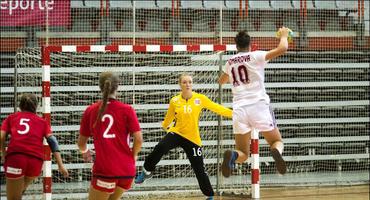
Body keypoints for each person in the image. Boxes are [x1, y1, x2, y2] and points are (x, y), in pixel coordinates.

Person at [135, 73, 232, 200]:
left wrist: (235, 114)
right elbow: (168, 119)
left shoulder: (200, 99)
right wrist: (165, 126)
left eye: (190, 82)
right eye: (185, 82)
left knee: (199, 168)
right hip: (177, 133)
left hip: (192, 138)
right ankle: (146, 171)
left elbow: (218, 108)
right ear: (180, 84)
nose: (187, 84)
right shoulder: (174, 100)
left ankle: (209, 195)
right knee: (160, 147)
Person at [218, 27, 291, 177]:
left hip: (239, 109)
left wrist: (231, 75)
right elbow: (283, 48)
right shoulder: (256, 56)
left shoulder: (230, 62)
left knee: (244, 153)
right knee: (276, 141)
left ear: (236, 46)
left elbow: (221, 81)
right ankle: (276, 151)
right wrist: (284, 35)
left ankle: (232, 155)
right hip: (258, 105)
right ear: (250, 44)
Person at [78, 71, 143, 200]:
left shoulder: (91, 110)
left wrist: (85, 151)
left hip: (105, 170)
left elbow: (81, 143)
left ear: (100, 87)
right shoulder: (127, 109)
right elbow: (139, 139)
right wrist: (133, 156)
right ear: (117, 86)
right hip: (127, 171)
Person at [0, 93, 69, 200]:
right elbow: (52, 141)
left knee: (13, 197)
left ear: (20, 106)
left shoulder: (11, 118)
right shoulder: (42, 122)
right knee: (19, 191)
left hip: (16, 158)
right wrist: (60, 165)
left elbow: (1, 137)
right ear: (36, 106)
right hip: (35, 162)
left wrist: (4, 154)